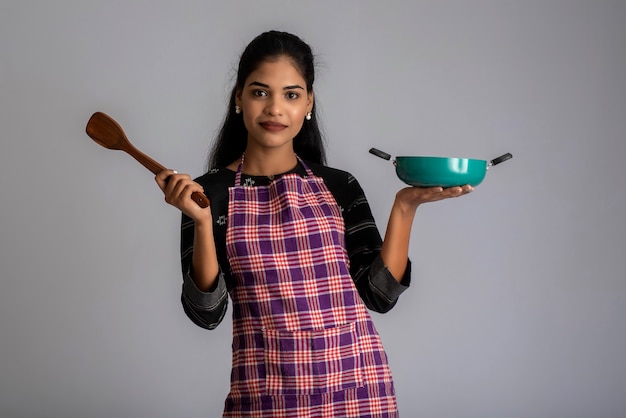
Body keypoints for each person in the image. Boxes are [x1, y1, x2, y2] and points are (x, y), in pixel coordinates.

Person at [155, 30, 472, 418]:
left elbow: (380, 296)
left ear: (308, 103)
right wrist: (202, 223)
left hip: (357, 391)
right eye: (260, 92)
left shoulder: (339, 186)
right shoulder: (207, 194)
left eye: (291, 94)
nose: (275, 108)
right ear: (238, 98)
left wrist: (405, 207)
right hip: (266, 396)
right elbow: (206, 313)